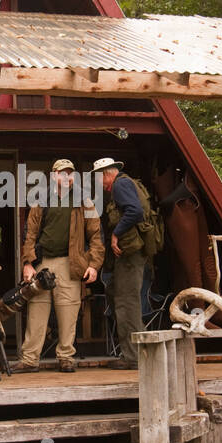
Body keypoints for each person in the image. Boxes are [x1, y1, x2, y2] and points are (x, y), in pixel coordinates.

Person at [15, 159, 104, 373]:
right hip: (43, 262)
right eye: (61, 173)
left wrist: (93, 265)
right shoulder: (41, 200)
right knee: (37, 310)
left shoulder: (85, 201)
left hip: (70, 263)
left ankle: (66, 357)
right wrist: (27, 264)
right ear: (53, 176)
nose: (66, 177)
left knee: (69, 310)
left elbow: (96, 236)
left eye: (70, 173)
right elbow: (29, 235)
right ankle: (29, 359)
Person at [95, 157, 148, 370]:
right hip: (131, 255)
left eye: (99, 178)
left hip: (129, 255)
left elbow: (135, 211)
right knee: (121, 296)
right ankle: (138, 353)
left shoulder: (120, 185)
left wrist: (116, 234)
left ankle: (133, 357)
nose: (99, 183)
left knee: (127, 302)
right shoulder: (127, 183)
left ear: (107, 174)